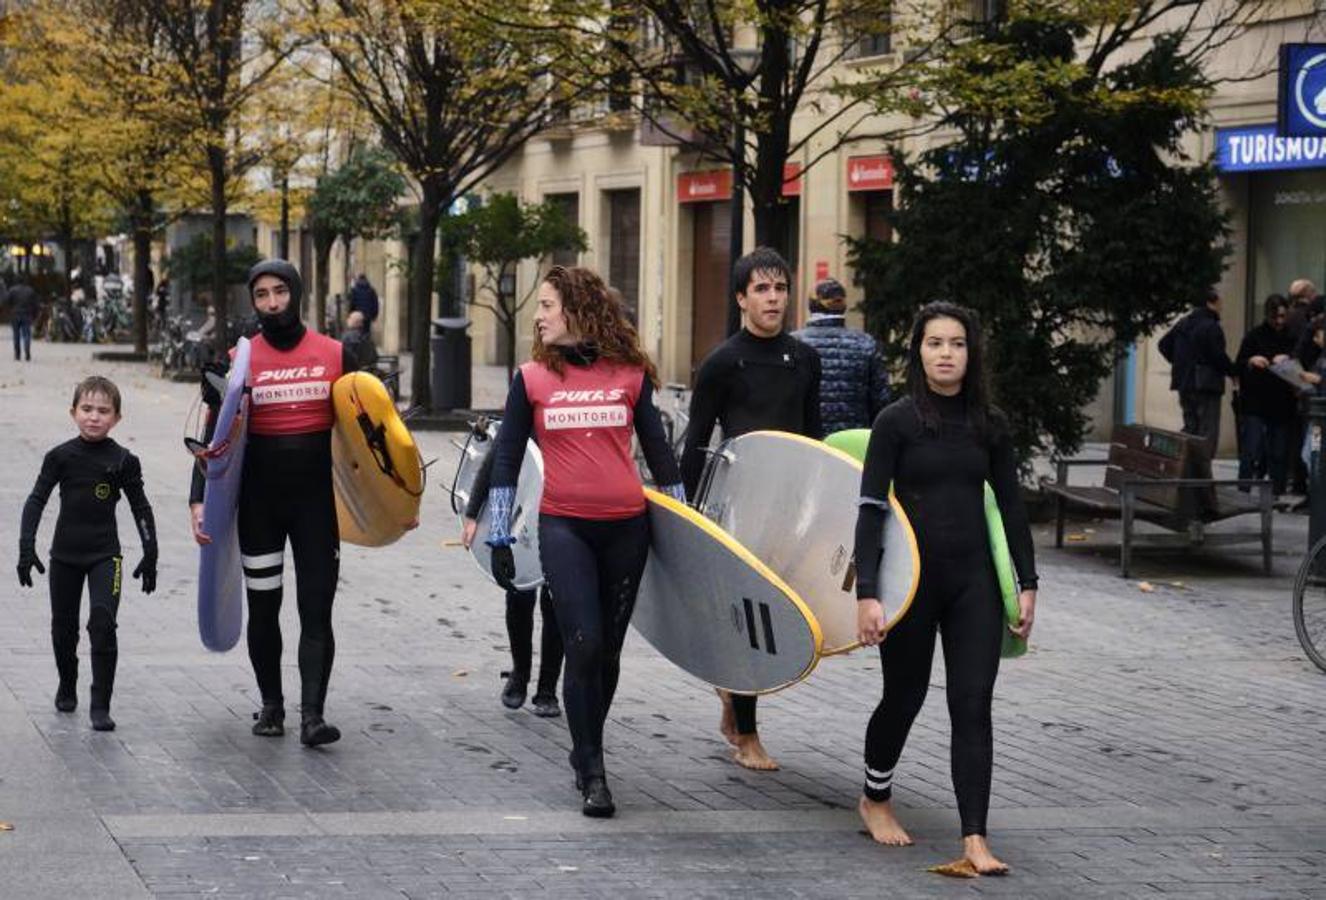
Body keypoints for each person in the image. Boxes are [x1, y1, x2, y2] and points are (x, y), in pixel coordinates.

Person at [486, 264, 684, 818]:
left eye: (547, 305)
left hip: (628, 527)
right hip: (564, 525)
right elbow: (506, 457)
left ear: (576, 307)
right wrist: (499, 533)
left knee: (611, 653)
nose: (539, 316)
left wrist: (691, 529)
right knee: (585, 644)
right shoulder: (531, 378)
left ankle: (585, 746)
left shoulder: (630, 373)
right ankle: (594, 772)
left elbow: (660, 453)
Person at [852, 301, 1036, 875]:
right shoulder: (896, 422)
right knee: (904, 697)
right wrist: (867, 591)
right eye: (935, 343)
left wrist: (1027, 583)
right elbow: (870, 507)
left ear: (970, 352)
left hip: (972, 584)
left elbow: (1010, 506)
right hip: (909, 585)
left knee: (972, 705)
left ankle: (974, 839)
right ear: (919, 352)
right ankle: (875, 796)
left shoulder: (991, 424)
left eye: (956, 343)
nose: (946, 354)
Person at [189, 260, 362, 748]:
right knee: (264, 609)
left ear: (297, 294)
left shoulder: (335, 353)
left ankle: (313, 716)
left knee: (316, 610)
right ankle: (272, 705)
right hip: (260, 506)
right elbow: (213, 438)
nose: (270, 303)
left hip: (314, 509)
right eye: (261, 295)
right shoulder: (240, 361)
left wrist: (395, 500)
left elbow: (372, 435)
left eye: (279, 292)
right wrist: (199, 499)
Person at [679, 247, 822, 772]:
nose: (773, 298)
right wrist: (687, 512)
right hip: (737, 507)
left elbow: (813, 435)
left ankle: (733, 701)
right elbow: (697, 439)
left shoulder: (805, 359)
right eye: (761, 289)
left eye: (780, 288)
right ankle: (748, 734)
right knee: (748, 616)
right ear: (741, 298)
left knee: (776, 615)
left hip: (788, 507)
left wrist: (817, 503)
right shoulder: (723, 362)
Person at [18, 376, 158, 731]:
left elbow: (140, 507)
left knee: (102, 623)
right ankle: (67, 683)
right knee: (63, 628)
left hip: (104, 557)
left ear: (117, 418)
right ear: (73, 412)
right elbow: (37, 499)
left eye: (103, 411)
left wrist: (150, 550)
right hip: (64, 556)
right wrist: (26, 545)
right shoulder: (60, 457)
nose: (94, 417)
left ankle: (100, 703)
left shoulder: (124, 460)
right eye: (87, 409)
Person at [460, 429, 563, 718]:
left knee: (556, 602)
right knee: (519, 594)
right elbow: (496, 458)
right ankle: (520, 673)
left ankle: (547, 688)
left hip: (563, 516)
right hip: (524, 512)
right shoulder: (531, 402)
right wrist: (472, 514)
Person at [791, 276, 890, 435]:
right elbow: (881, 401)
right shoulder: (865, 343)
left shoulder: (793, 344)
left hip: (806, 444)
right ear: (843, 305)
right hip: (853, 442)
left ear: (812, 305)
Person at [1157, 289, 1236, 459]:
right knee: (1207, 431)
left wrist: (1180, 363)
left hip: (1184, 383)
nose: (1222, 305)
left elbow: (1163, 344)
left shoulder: (1183, 323)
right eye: (1219, 300)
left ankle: (1186, 469)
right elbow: (1218, 356)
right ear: (1211, 302)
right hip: (1206, 385)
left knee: (1190, 427)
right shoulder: (1211, 326)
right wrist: (1233, 372)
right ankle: (1201, 474)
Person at [1234, 294, 1298, 496]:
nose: (1279, 321)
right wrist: (1252, 360)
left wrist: (1289, 360)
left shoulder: (1292, 337)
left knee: (1279, 452)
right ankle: (1243, 491)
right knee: (1251, 449)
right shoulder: (1255, 336)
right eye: (1275, 317)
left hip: (1281, 401)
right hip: (1256, 401)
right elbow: (1238, 365)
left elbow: (1301, 364)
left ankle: (1276, 492)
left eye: (1282, 316)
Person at [7, 276, 40, 362]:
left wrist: (11, 311)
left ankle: (17, 355)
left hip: (15, 315)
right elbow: (35, 305)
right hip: (27, 315)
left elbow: (8, 302)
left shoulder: (12, 290)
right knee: (26, 334)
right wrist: (34, 315)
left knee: (16, 335)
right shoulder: (30, 291)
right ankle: (27, 351)